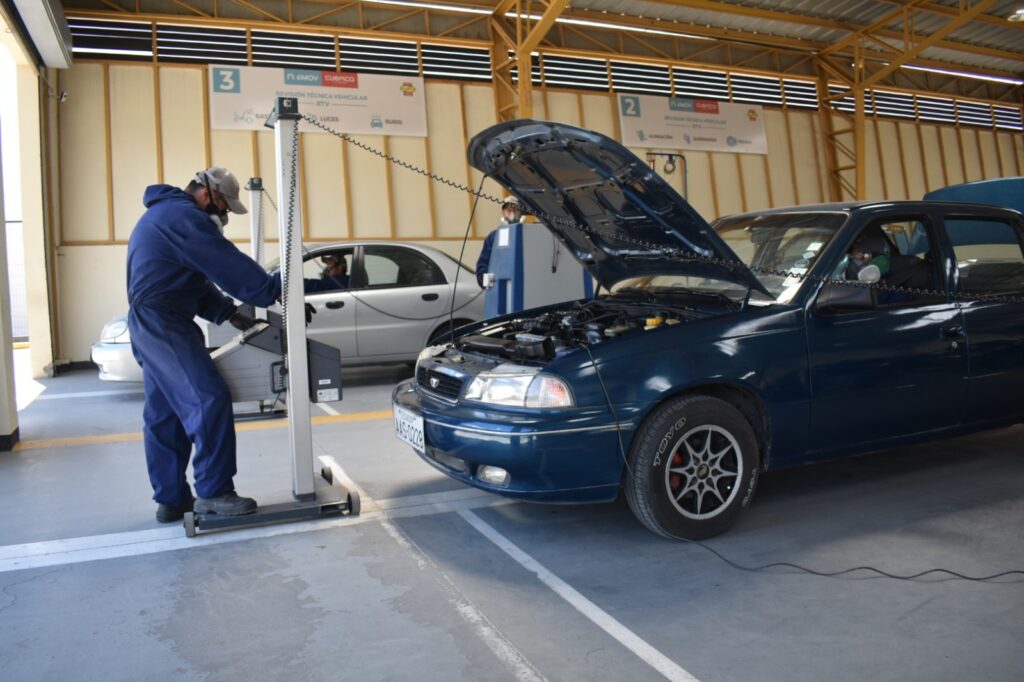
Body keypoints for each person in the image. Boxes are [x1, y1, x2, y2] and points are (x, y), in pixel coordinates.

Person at [127, 167, 283, 523]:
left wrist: (231, 314)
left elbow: (190, 282)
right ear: (207, 194)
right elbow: (223, 261)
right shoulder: (183, 217)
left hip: (156, 322)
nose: (225, 216)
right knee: (207, 397)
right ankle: (214, 492)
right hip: (163, 323)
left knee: (165, 414)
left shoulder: (166, 214)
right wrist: (274, 287)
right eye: (225, 207)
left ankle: (171, 498)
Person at [475, 196, 523, 288]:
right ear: (503, 213)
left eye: (515, 210)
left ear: (520, 213)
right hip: (499, 284)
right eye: (508, 210)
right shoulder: (493, 237)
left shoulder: (526, 234)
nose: (512, 213)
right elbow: (484, 261)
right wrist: (482, 277)